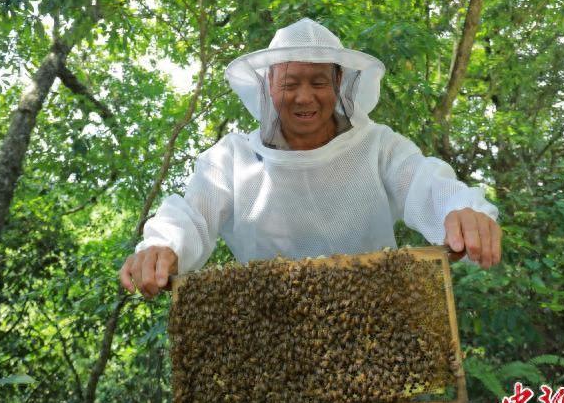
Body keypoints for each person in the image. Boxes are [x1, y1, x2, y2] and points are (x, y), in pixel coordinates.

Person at [120, 18, 502, 298]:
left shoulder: (377, 146)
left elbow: (424, 181)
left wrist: (462, 210)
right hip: (268, 343)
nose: (305, 97)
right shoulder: (233, 159)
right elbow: (191, 216)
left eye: (318, 82)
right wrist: (163, 248)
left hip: (373, 337)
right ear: (269, 86)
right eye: (290, 83)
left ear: (339, 84)